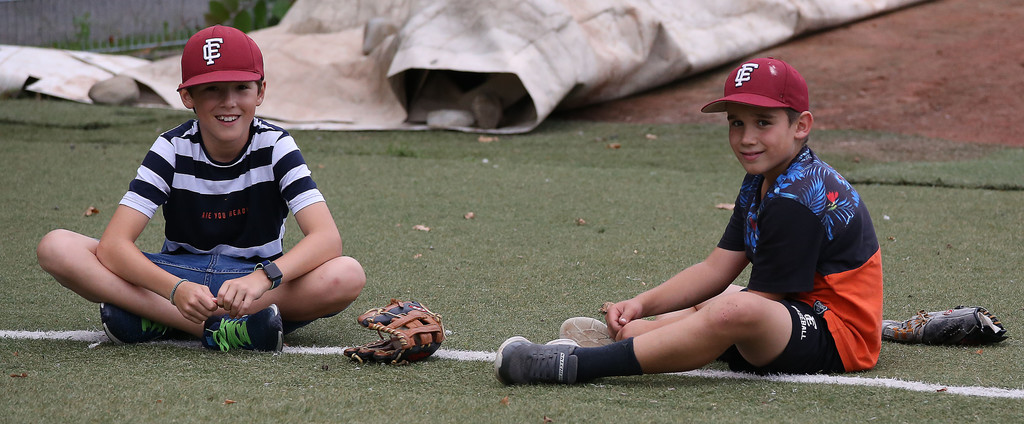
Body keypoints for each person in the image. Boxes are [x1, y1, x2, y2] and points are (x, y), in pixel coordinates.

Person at [494, 57, 883, 384]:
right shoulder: (762, 179)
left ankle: (576, 365)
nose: (746, 138)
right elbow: (715, 269)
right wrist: (641, 305)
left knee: (735, 310)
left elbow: (760, 303)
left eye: (763, 122)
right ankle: (633, 340)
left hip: (839, 336)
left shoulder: (796, 199)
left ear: (801, 126)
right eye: (736, 122)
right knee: (713, 301)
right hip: (794, 312)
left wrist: (671, 328)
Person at [36, 25, 366, 352]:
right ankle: (226, 329)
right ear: (187, 96)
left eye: (241, 87)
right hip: (179, 276)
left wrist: (262, 279)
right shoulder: (171, 147)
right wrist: (175, 290)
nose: (229, 102)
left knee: (347, 274)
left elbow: (327, 238)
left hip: (252, 283)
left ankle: (155, 317)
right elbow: (113, 246)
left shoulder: (276, 145)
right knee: (57, 247)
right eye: (212, 89)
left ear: (260, 92)